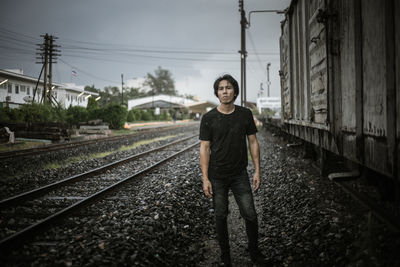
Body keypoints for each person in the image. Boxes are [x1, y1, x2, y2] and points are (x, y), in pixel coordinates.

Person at [199, 74, 268, 266]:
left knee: (250, 214)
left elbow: (253, 142)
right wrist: (205, 178)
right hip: (217, 175)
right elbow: (204, 148)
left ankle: (254, 252)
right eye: (221, 88)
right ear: (217, 93)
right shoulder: (208, 118)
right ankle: (225, 256)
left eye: (228, 88)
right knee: (220, 215)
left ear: (235, 91)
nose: (225, 91)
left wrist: (257, 171)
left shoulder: (245, 114)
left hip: (239, 174)